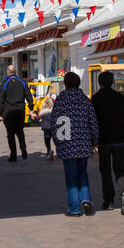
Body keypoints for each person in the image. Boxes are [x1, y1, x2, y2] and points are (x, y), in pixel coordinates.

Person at [51, 71, 99, 217]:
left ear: (65, 84)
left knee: (71, 177)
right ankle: (86, 199)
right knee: (83, 173)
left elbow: (55, 122)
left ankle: (74, 208)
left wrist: (57, 142)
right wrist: (94, 141)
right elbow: (93, 122)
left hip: (67, 144)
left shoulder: (60, 100)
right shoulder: (85, 99)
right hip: (83, 143)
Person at [91, 70, 124, 214]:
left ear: (99, 83)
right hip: (119, 140)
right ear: (112, 82)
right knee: (120, 169)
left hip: (103, 141)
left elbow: (92, 121)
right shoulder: (120, 98)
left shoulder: (95, 99)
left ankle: (108, 201)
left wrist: (93, 140)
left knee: (105, 171)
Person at [0, 63, 32, 161]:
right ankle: (23, 147)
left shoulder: (4, 83)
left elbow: (1, 99)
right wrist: (31, 106)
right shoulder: (22, 82)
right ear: (15, 72)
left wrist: (0, 111)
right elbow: (28, 95)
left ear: (7, 72)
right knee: (20, 130)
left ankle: (13, 155)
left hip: (8, 111)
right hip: (20, 110)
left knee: (10, 133)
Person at [39, 95, 55, 159]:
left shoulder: (43, 111)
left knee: (47, 140)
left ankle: (49, 150)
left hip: (46, 128)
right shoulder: (53, 110)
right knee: (55, 140)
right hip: (53, 127)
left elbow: (38, 118)